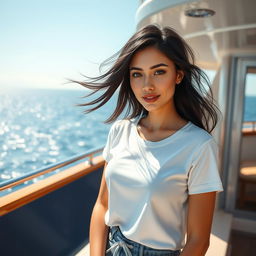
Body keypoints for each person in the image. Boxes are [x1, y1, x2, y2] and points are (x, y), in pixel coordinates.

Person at [72, 24, 224, 256]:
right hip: (113, 248)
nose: (147, 86)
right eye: (137, 74)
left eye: (159, 71)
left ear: (179, 75)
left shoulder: (199, 146)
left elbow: (198, 241)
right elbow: (102, 205)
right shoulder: (120, 131)